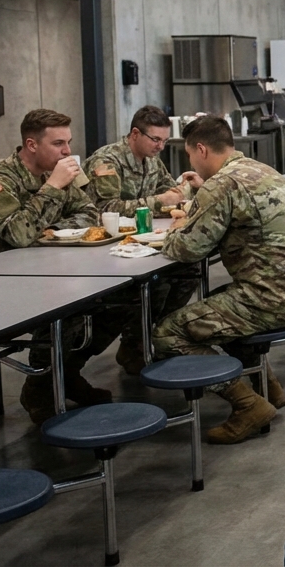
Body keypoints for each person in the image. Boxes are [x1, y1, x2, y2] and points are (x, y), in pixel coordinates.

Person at [151, 117, 285, 443]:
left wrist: (177, 229)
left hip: (266, 300)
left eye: (190, 156)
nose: (192, 163)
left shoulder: (221, 185)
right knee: (219, 304)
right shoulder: (264, 171)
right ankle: (269, 387)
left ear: (202, 150)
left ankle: (247, 404)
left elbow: (186, 249)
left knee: (167, 332)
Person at [0, 109, 115, 424]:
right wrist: (52, 188)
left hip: (51, 270)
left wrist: (49, 231)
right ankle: (40, 390)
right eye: (58, 143)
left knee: (117, 299)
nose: (67, 151)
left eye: (68, 142)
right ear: (31, 144)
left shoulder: (57, 170)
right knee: (67, 309)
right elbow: (18, 235)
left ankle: (65, 374)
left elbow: (89, 213)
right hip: (4, 282)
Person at [84, 105, 194, 375]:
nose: (160, 146)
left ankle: (149, 339)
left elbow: (170, 191)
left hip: (141, 244)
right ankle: (133, 344)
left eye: (165, 140)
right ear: (135, 134)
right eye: (155, 139)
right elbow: (104, 209)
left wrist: (184, 189)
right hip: (106, 249)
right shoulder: (107, 161)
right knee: (156, 285)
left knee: (187, 274)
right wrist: (158, 201)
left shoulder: (151, 159)